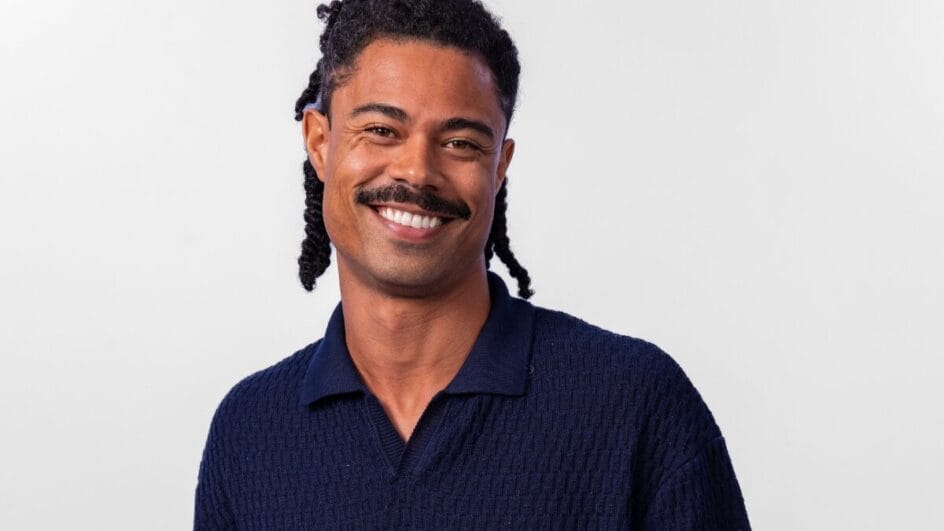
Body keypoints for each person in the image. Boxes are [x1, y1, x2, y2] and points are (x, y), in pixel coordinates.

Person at [194, 0, 751, 528]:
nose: (417, 171)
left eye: (460, 143)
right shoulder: (249, 433)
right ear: (320, 142)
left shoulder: (636, 405)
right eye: (382, 130)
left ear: (500, 165)